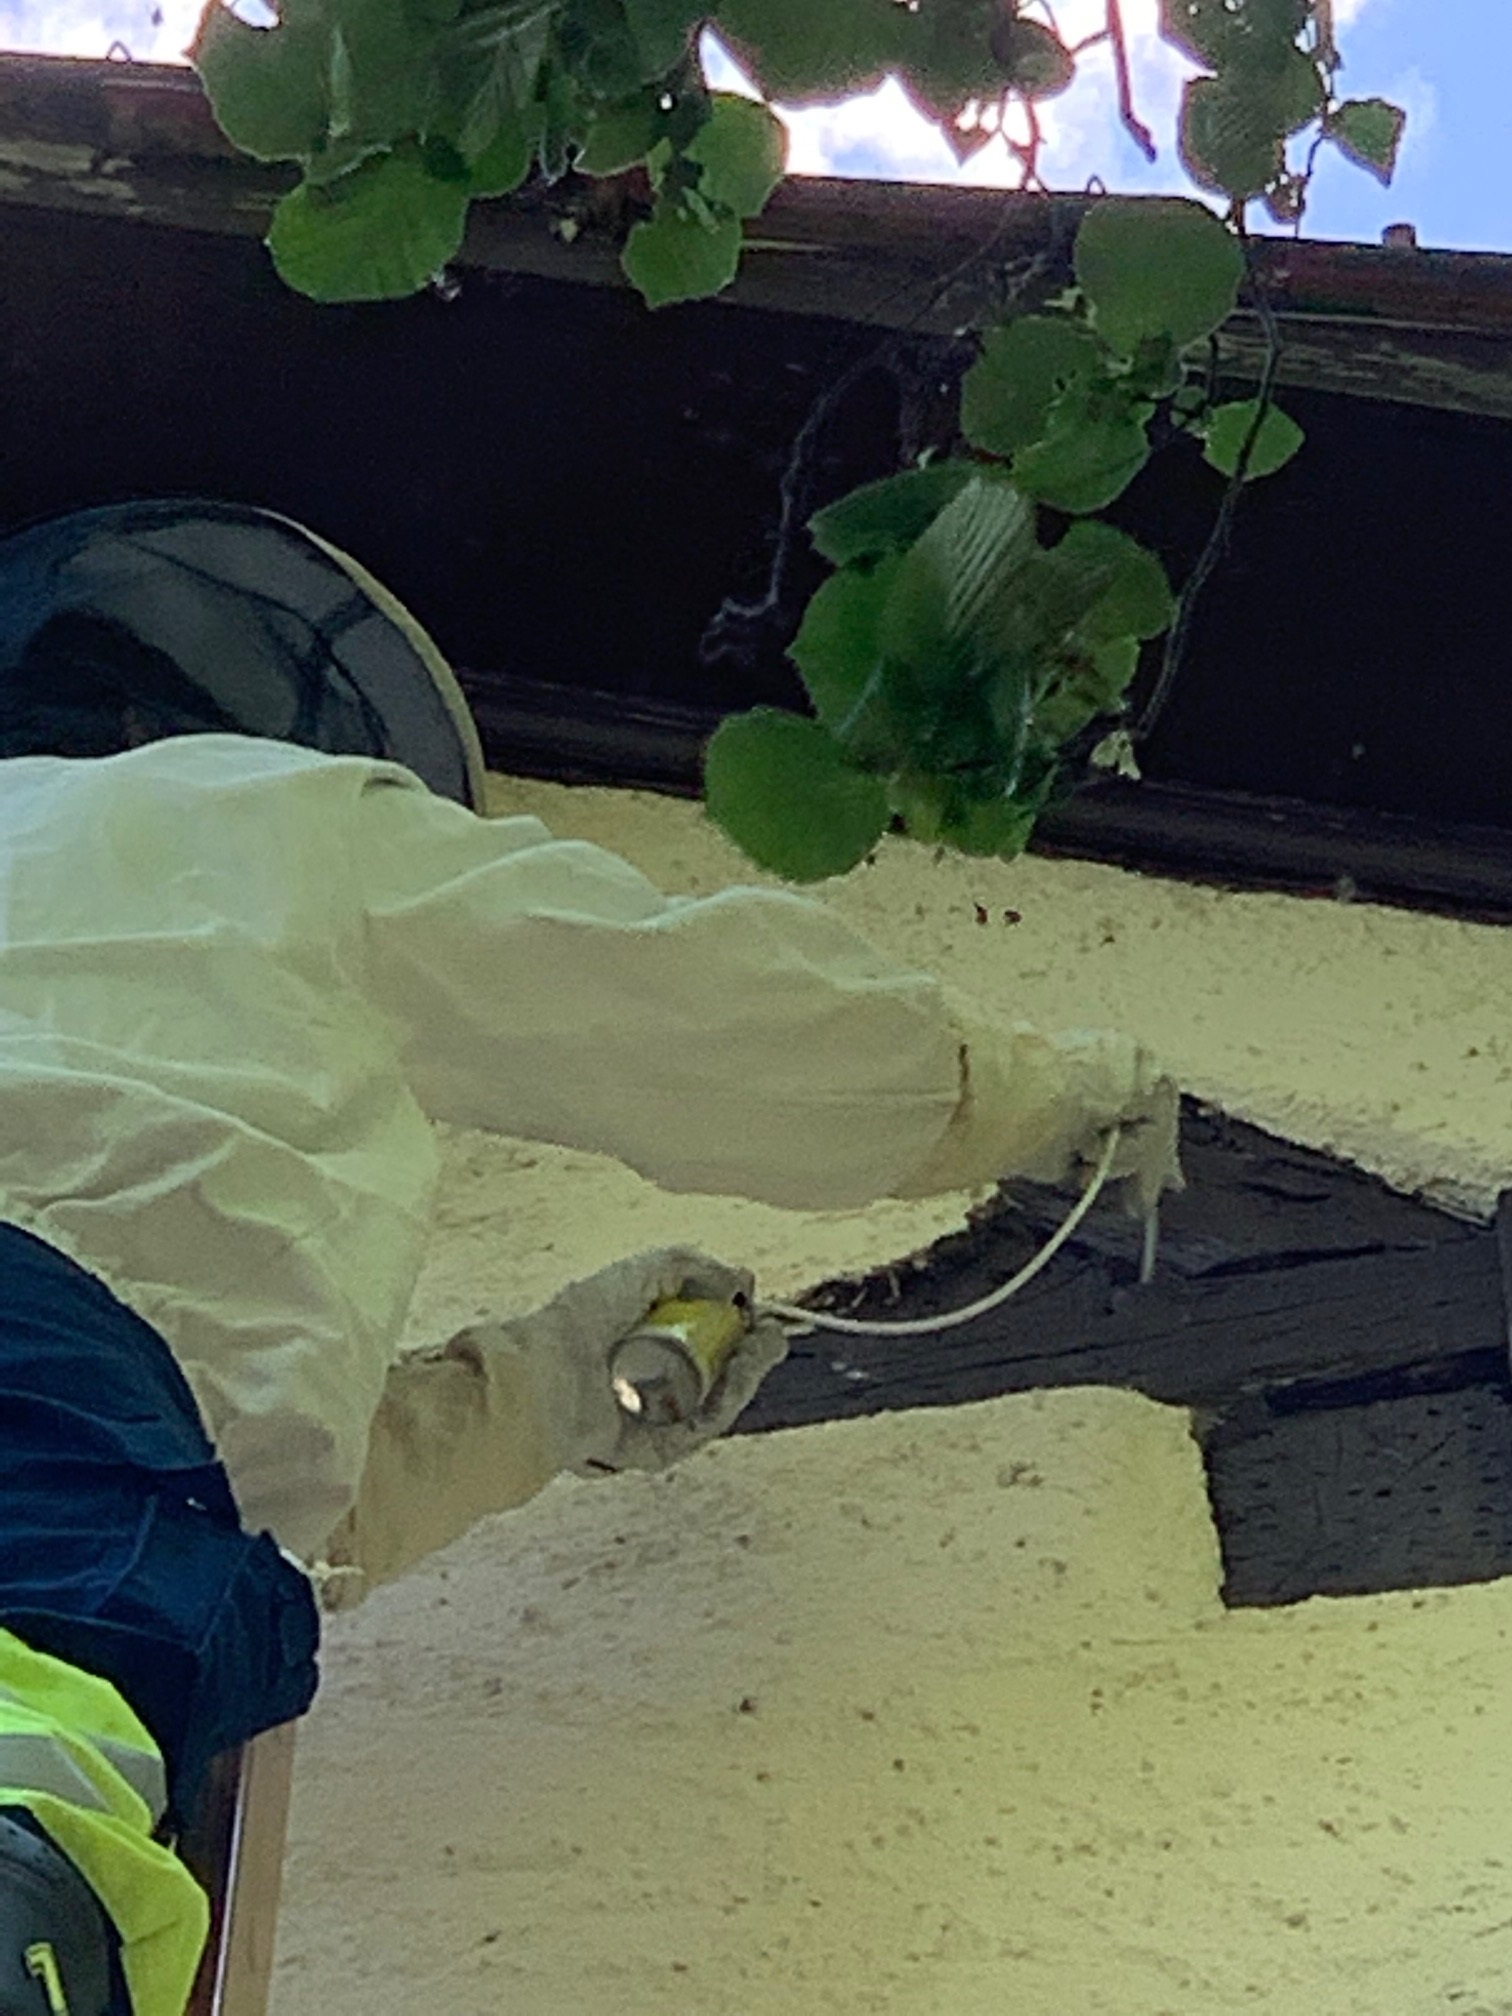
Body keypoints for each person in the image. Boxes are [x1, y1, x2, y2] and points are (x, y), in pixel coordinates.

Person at [0, 501, 1181, 2016]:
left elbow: (227, 1518)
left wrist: (550, 1389)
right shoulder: (253, 817)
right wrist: (1057, 1100)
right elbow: (702, 1019)